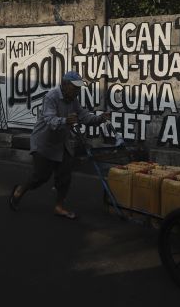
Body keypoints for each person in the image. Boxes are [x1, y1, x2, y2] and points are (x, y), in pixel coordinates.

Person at [9, 71, 110, 220]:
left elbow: (83, 116)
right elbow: (49, 119)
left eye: (78, 88)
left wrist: (99, 118)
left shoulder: (73, 100)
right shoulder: (51, 97)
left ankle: (59, 207)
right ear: (64, 85)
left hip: (62, 142)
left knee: (65, 175)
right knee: (40, 176)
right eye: (75, 87)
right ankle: (20, 189)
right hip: (44, 142)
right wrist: (65, 121)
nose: (77, 91)